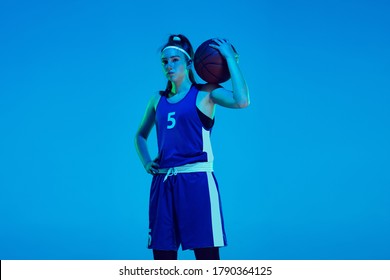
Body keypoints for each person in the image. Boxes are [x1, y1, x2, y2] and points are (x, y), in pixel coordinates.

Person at [135, 34, 250, 260]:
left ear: (189, 63)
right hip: (163, 183)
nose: (169, 65)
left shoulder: (206, 94)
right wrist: (147, 161)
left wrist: (230, 60)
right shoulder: (157, 100)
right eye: (164, 62)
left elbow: (242, 100)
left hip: (196, 181)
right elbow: (140, 135)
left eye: (175, 60)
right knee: (163, 258)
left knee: (206, 258)